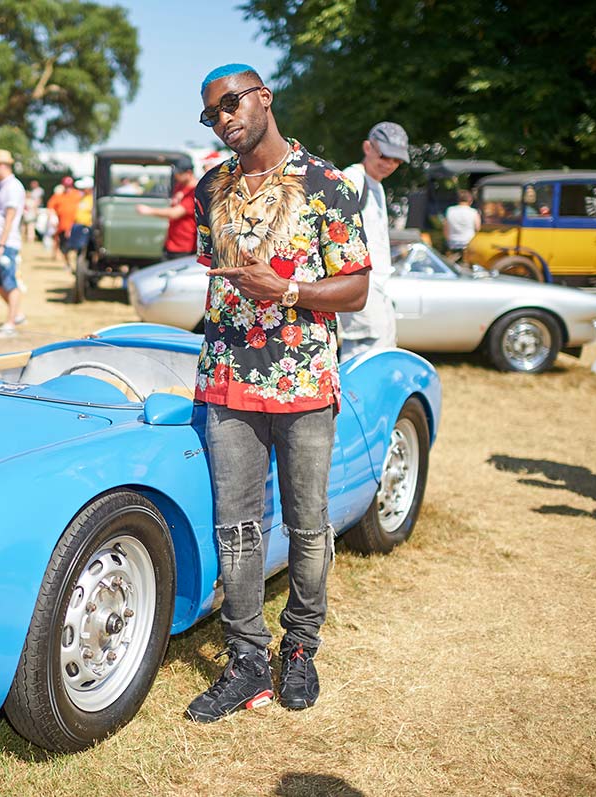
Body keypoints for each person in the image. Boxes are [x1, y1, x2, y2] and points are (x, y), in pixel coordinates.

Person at [183, 64, 370, 723]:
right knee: (235, 527)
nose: (224, 117)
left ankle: (300, 646)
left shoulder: (328, 184)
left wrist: (288, 291)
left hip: (303, 378)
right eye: (212, 113)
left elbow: (355, 288)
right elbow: (215, 277)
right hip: (228, 381)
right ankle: (246, 662)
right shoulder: (211, 188)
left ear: (264, 97)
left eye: (232, 102)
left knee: (308, 523)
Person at [339, 121, 408, 359]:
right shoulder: (353, 178)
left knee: (383, 345)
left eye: (397, 160)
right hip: (361, 283)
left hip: (377, 284)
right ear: (367, 147)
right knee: (365, 348)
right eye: (385, 156)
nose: (390, 164)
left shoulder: (375, 184)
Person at [0, 149, 26, 330]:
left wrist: (1, 244)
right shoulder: (3, 186)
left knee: (9, 283)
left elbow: (10, 215)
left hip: (5, 243)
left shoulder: (12, 186)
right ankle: (16, 314)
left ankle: (11, 321)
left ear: (1, 166)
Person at [135, 164, 198, 260]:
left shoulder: (195, 191)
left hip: (185, 245)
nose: (176, 176)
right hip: (172, 241)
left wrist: (149, 210)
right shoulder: (180, 186)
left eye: (179, 173)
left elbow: (175, 213)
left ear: (188, 173)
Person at [47, 176, 82, 269]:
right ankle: (68, 264)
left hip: (75, 226)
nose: (68, 188)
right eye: (66, 186)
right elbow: (50, 207)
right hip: (62, 227)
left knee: (77, 247)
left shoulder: (77, 195)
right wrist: (52, 217)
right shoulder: (59, 196)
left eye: (69, 186)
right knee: (64, 248)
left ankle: (78, 266)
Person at [443, 189, 482, 260]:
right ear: (470, 200)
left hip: (453, 244)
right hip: (469, 244)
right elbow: (478, 228)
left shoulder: (450, 210)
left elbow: (445, 229)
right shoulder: (473, 212)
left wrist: (449, 241)